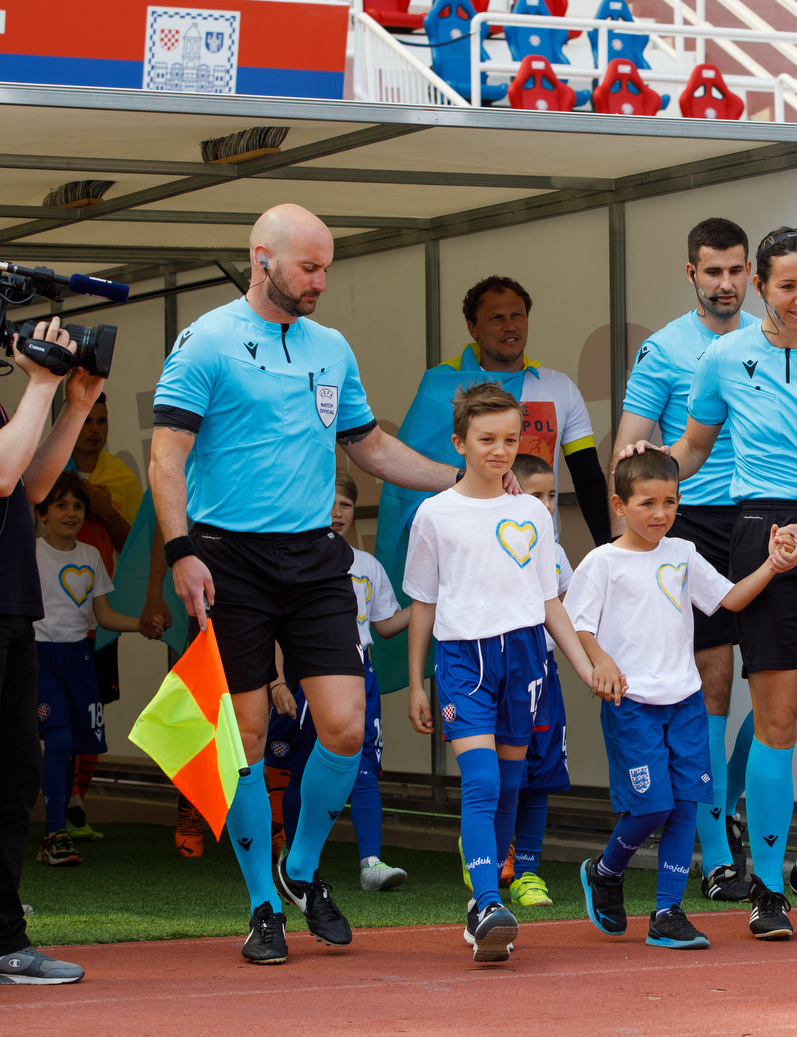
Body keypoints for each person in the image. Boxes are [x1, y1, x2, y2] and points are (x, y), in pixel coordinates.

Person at [151, 203, 466, 966]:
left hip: (315, 557)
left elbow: (370, 447)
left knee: (346, 726)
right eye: (309, 267)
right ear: (263, 259)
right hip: (229, 560)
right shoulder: (207, 340)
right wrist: (180, 551)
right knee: (249, 736)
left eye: (327, 266)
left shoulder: (331, 346)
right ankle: (263, 903)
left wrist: (465, 481)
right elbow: (166, 457)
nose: (322, 281)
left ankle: (300, 871)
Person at [627, 227, 797, 941]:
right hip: (761, 536)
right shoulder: (722, 357)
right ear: (761, 286)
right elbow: (692, 446)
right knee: (778, 723)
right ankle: (769, 887)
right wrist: (651, 473)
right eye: (788, 286)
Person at [403, 383, 597, 964]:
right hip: (464, 662)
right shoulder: (434, 514)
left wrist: (586, 669)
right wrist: (417, 682)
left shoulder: (532, 512)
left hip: (525, 661)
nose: (500, 450)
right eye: (486, 439)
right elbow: (424, 603)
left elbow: (549, 602)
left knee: (511, 785)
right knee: (483, 782)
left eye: (511, 439)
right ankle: (487, 901)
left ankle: (485, 903)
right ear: (459, 441)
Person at [568, 450, 789, 950]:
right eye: (647, 503)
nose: (661, 513)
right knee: (651, 808)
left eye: (670, 501)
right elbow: (576, 623)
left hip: (686, 701)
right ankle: (605, 872)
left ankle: (667, 912)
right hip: (633, 704)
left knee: (687, 805)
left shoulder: (683, 552)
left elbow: (729, 598)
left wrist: (772, 566)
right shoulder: (603, 561)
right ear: (619, 506)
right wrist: (600, 660)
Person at [611, 217, 763, 903]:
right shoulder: (666, 349)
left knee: (790, 677)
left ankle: (724, 802)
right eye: (713, 271)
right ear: (691, 273)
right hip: (694, 517)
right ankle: (716, 849)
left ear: (750, 274)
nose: (725, 284)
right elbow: (628, 447)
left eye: (736, 271)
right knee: (715, 680)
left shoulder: (773, 340)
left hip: (765, 516)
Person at [0, 314, 95, 992]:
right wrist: (41, 379)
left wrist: (77, 403)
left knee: (14, 777)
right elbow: (0, 472)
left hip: (8, 602)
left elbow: (34, 484)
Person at [374, 276, 611, 696]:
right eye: (496, 317)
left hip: (534, 553)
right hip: (468, 563)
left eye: (517, 314)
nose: (509, 325)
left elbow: (589, 477)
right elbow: (406, 482)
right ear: (472, 327)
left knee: (532, 690)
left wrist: (607, 548)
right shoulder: (441, 385)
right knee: (472, 688)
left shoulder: (558, 387)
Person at [264, 472, 411, 891]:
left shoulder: (367, 565)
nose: (336, 512)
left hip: (360, 671)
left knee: (364, 769)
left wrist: (430, 603)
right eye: (327, 502)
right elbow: (272, 629)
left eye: (345, 504)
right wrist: (276, 682)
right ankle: (296, 863)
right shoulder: (290, 562)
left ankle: (371, 864)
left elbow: (384, 624)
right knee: (302, 769)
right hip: (310, 672)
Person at [31, 472, 164, 869]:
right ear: (41, 514)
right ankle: (54, 831)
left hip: (79, 659)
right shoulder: (30, 553)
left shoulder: (90, 556)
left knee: (73, 745)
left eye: (77, 506)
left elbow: (102, 616)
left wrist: (141, 625)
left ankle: (57, 834)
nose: (70, 513)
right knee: (56, 740)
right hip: (39, 659)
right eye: (60, 505)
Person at [66, 392, 145, 837]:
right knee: (58, 717)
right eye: (87, 420)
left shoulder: (120, 476)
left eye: (102, 420)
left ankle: (77, 808)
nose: (95, 428)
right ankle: (62, 808)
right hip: (52, 618)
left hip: (100, 615)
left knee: (93, 712)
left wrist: (105, 509)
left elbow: (133, 542)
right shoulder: (49, 468)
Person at [501, 453, 572, 908]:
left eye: (552, 496)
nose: (546, 505)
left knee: (540, 776)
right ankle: (487, 853)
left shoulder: (556, 550)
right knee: (498, 776)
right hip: (498, 671)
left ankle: (528, 872)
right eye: (535, 495)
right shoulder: (486, 538)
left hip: (544, 677)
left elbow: (567, 608)